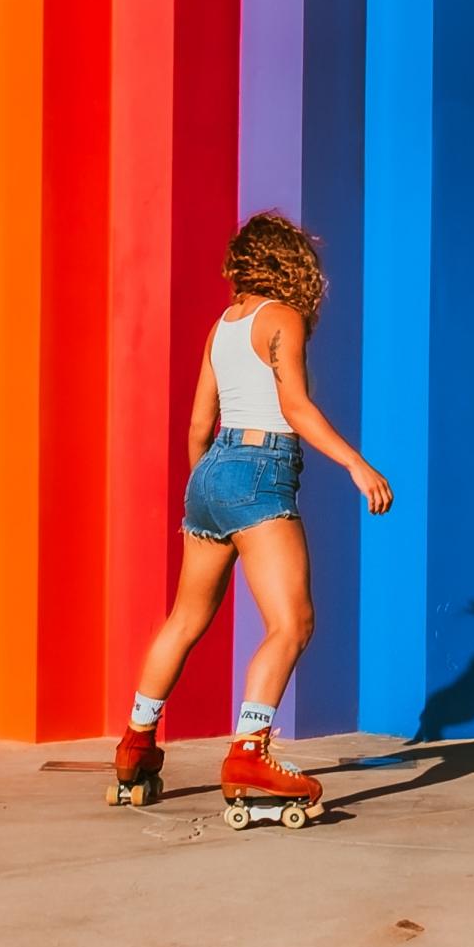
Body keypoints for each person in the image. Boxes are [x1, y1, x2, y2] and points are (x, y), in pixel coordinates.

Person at [110, 210, 392, 817]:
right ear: (290, 264)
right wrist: (356, 464)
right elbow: (295, 407)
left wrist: (206, 490)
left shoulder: (223, 326)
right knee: (292, 623)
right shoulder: (282, 318)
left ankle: (135, 742)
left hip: (211, 471)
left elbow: (198, 425)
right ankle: (248, 753)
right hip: (261, 470)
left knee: (184, 620)